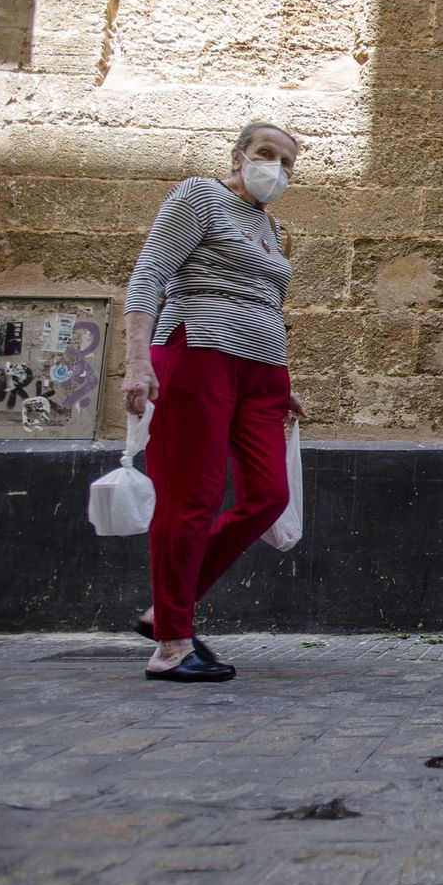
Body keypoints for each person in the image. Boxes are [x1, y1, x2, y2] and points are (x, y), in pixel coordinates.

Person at [120, 122, 307, 682]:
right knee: (191, 499)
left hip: (263, 370)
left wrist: (281, 384)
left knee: (269, 495)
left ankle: (165, 609)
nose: (277, 167)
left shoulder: (270, 227)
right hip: (197, 352)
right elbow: (149, 274)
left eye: (287, 162)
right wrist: (137, 361)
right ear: (238, 155)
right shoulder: (199, 195)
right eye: (267, 153)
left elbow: (263, 300)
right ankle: (171, 646)